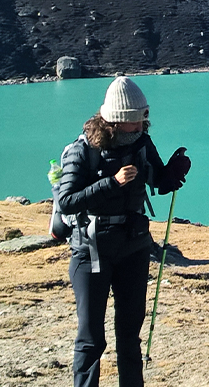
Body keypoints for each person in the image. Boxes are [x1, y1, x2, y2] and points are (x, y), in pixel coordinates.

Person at [56, 76, 190, 387]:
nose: (141, 126)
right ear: (115, 121)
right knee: (91, 338)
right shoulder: (83, 150)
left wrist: (172, 173)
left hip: (134, 247)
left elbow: (157, 180)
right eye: (134, 121)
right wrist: (112, 183)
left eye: (143, 120)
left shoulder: (141, 142)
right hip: (92, 251)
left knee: (130, 335)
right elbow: (66, 201)